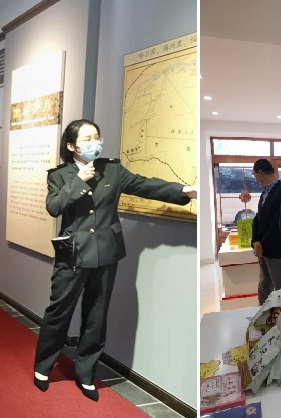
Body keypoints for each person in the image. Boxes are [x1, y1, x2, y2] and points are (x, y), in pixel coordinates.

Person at [33, 119, 196, 401]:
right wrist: (78, 180)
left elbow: (144, 185)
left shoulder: (112, 169)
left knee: (96, 316)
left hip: (106, 253)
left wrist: (182, 191)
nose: (94, 142)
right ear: (71, 146)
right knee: (59, 312)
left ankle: (86, 373)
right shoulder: (60, 175)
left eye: (96, 136)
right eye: (87, 139)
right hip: (73, 255)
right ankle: (43, 365)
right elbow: (54, 207)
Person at [250, 159, 281, 304]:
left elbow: (277, 225)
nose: (255, 178)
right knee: (264, 285)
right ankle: (263, 313)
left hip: (276, 250)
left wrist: (262, 245)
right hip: (263, 249)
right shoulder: (265, 192)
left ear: (260, 173)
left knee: (279, 289)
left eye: (254, 175)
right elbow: (258, 218)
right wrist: (255, 241)